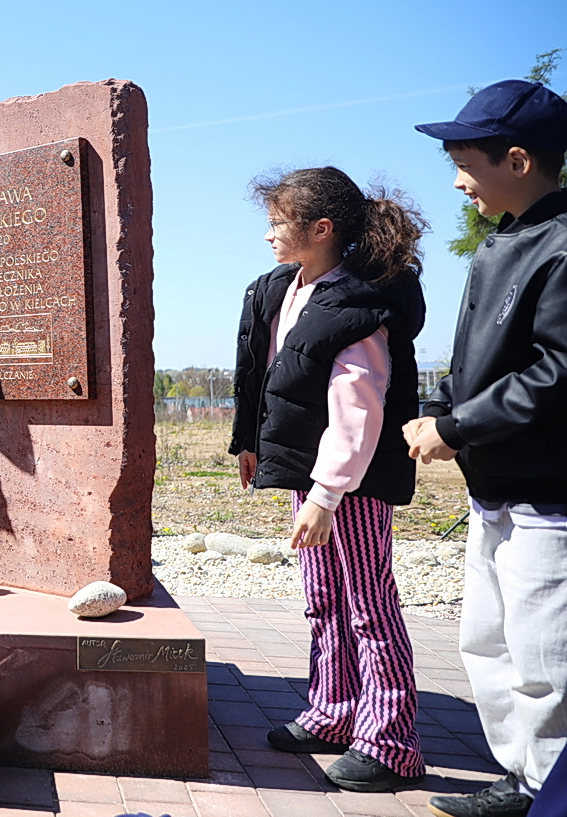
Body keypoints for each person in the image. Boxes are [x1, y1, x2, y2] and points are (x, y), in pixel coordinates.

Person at [230, 166, 428, 793]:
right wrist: (252, 444)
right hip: (312, 478)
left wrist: (325, 493)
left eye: (277, 223)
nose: (267, 235)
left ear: (322, 229)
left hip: (352, 484)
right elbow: (265, 374)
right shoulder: (285, 289)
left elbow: (358, 409)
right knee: (324, 601)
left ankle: (391, 742)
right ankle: (333, 711)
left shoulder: (358, 302)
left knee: (368, 605)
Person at [404, 80, 567, 817]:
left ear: (518, 159)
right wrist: (438, 408)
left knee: (543, 657)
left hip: (547, 492)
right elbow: (477, 353)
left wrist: (456, 427)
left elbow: (555, 371)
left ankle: (546, 788)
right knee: (487, 641)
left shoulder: (561, 244)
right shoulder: (503, 238)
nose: (455, 179)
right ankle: (520, 778)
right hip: (494, 486)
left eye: (464, 161)